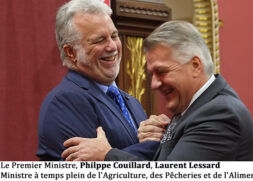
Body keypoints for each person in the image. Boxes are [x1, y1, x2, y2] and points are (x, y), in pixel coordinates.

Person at [62, 20, 253, 161]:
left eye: (162, 72)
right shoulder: (193, 109)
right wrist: (158, 139)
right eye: (152, 75)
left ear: (195, 66)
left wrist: (107, 155)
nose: (155, 84)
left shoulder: (219, 114)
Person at [37, 0, 169, 161]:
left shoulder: (131, 102)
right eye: (99, 40)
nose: (112, 46)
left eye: (114, 36)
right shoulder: (64, 102)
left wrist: (158, 133)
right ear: (71, 52)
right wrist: (157, 144)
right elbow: (90, 172)